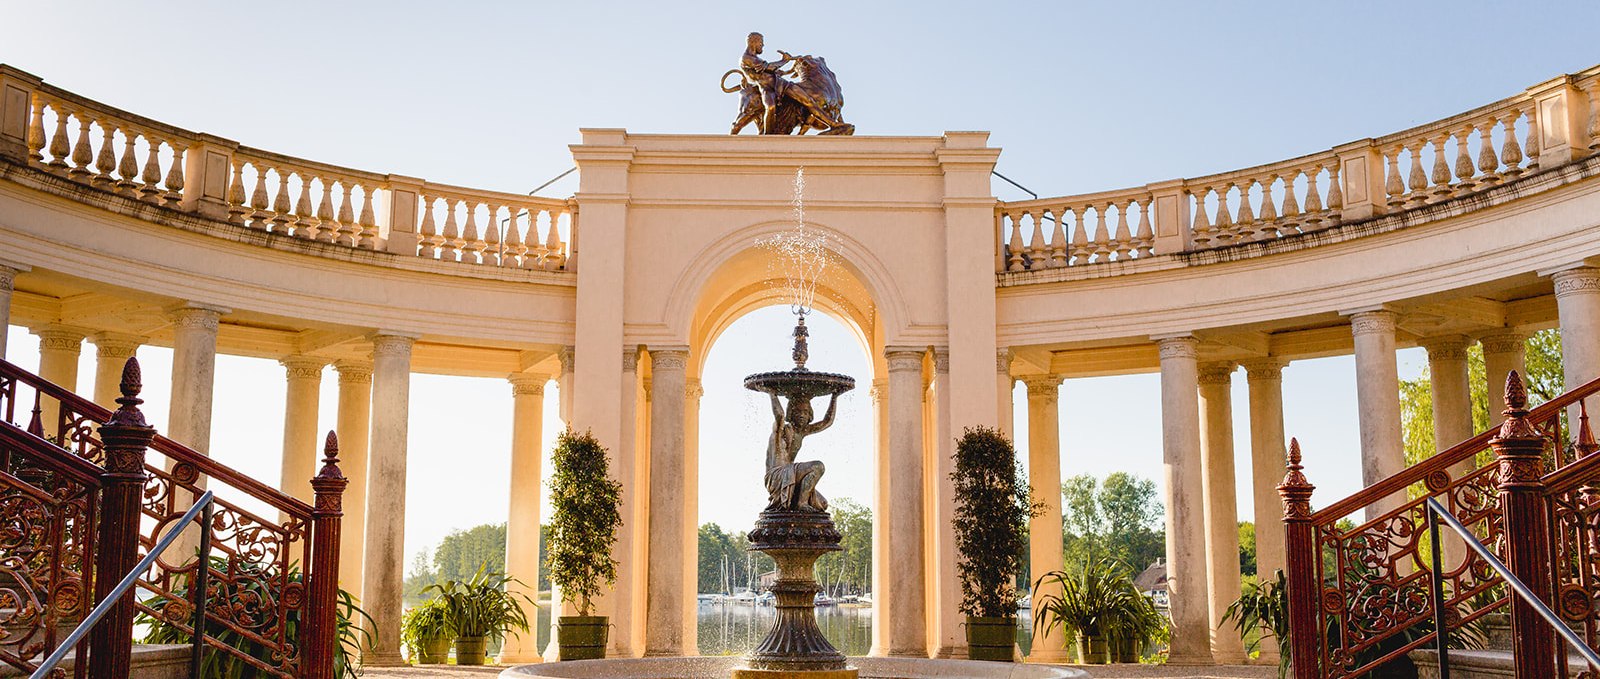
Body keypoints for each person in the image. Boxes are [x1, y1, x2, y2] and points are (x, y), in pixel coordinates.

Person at [764, 391, 838, 512]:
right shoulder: (782, 429)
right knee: (818, 466)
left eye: (805, 412)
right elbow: (779, 416)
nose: (802, 415)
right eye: (798, 411)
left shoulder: (802, 432)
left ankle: (800, 502)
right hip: (777, 475)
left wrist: (834, 397)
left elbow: (827, 422)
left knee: (822, 504)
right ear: (791, 413)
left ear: (810, 415)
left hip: (791, 473)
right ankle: (801, 503)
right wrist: (772, 394)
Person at [740, 32, 793, 136]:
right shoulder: (746, 58)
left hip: (775, 85)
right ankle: (767, 135)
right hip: (765, 87)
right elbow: (769, 67)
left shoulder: (754, 57)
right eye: (761, 43)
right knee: (771, 107)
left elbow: (770, 71)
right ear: (754, 42)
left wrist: (785, 71)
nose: (762, 45)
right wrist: (784, 61)